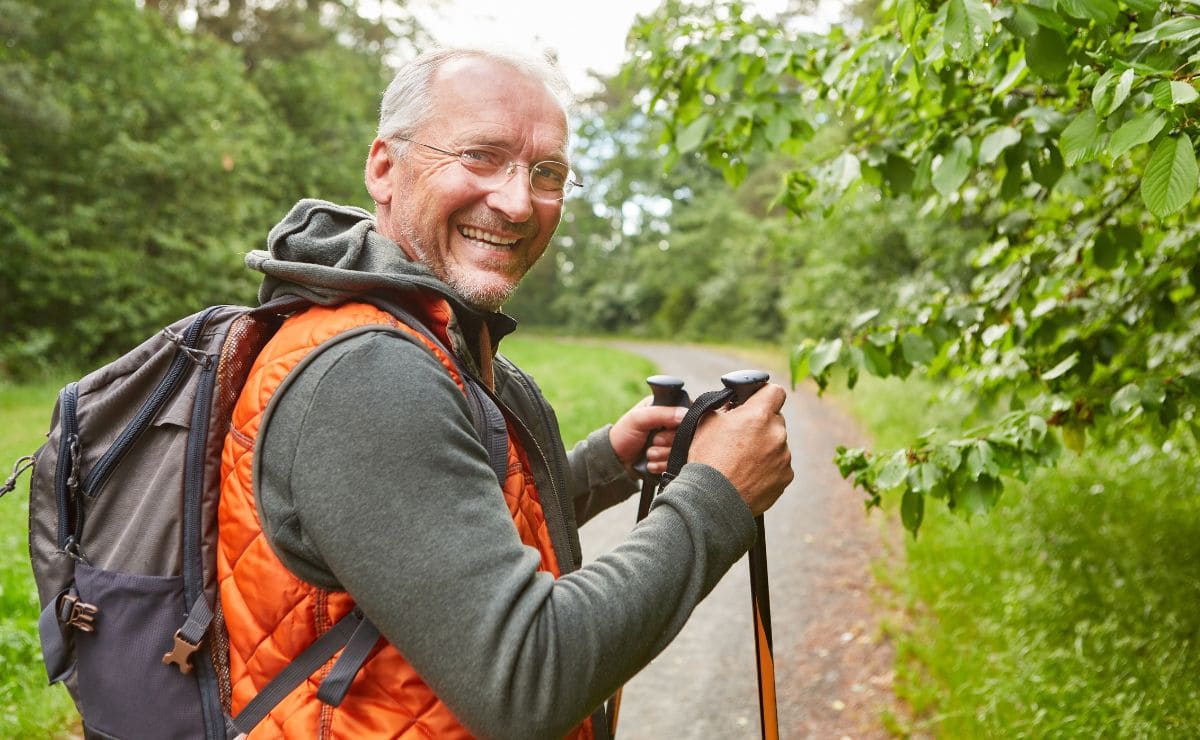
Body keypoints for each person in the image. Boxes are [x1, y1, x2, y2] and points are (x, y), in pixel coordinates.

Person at [217, 45, 793, 739]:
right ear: (384, 168)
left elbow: (447, 532)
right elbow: (526, 678)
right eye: (480, 156)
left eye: (546, 172)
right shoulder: (370, 372)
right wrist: (718, 492)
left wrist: (609, 460)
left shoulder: (443, 342)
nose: (518, 202)